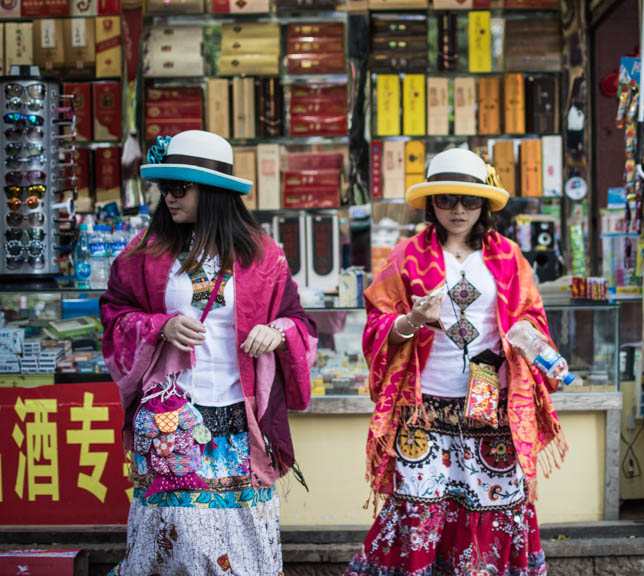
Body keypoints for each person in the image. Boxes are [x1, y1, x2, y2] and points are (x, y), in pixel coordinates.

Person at [100, 130, 317, 574]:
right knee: (177, 537)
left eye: (180, 188)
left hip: (240, 424)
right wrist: (160, 326)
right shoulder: (144, 253)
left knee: (244, 543)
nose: (169, 198)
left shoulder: (262, 255)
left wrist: (276, 331)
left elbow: (300, 321)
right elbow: (114, 316)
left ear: (213, 191)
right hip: (171, 423)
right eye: (165, 188)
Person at [346, 149, 567, 575]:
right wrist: (412, 320)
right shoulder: (406, 255)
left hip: (492, 404)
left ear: (484, 203)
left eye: (469, 199)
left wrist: (527, 338)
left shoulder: (508, 257)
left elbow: (532, 317)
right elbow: (376, 325)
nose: (459, 209)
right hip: (425, 405)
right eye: (446, 199)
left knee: (492, 505)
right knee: (418, 508)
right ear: (432, 204)